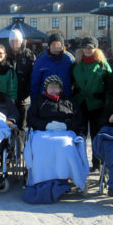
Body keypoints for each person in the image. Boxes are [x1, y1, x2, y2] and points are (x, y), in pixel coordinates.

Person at [23, 75, 88, 204]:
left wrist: (66, 125)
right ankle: (41, 178)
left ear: (60, 88)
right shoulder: (39, 101)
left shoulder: (69, 101)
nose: (54, 89)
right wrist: (45, 125)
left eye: (56, 86)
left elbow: (78, 118)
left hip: (64, 132)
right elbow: (31, 118)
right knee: (40, 145)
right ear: (46, 88)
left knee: (66, 145)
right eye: (51, 86)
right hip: (43, 132)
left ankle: (67, 176)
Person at [72, 36, 112, 172]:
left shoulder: (102, 64)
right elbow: (70, 83)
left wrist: (107, 103)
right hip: (81, 103)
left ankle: (97, 162)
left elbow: (109, 85)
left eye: (91, 47)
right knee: (81, 135)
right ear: (82, 49)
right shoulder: (76, 64)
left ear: (95, 49)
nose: (88, 50)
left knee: (97, 135)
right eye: (85, 47)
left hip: (97, 105)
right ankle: (80, 161)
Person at [6, 29, 36, 150]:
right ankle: (10, 149)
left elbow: (33, 76)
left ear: (21, 41)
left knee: (22, 125)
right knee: (10, 124)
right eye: (12, 41)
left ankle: (21, 150)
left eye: (17, 41)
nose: (14, 43)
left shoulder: (29, 55)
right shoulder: (5, 55)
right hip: (9, 97)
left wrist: (29, 92)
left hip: (24, 96)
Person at [30, 33, 74, 101]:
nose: (56, 47)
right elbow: (35, 85)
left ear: (62, 46)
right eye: (53, 44)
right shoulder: (40, 62)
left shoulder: (69, 60)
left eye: (58, 44)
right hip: (46, 101)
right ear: (49, 46)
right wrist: (35, 104)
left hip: (65, 100)